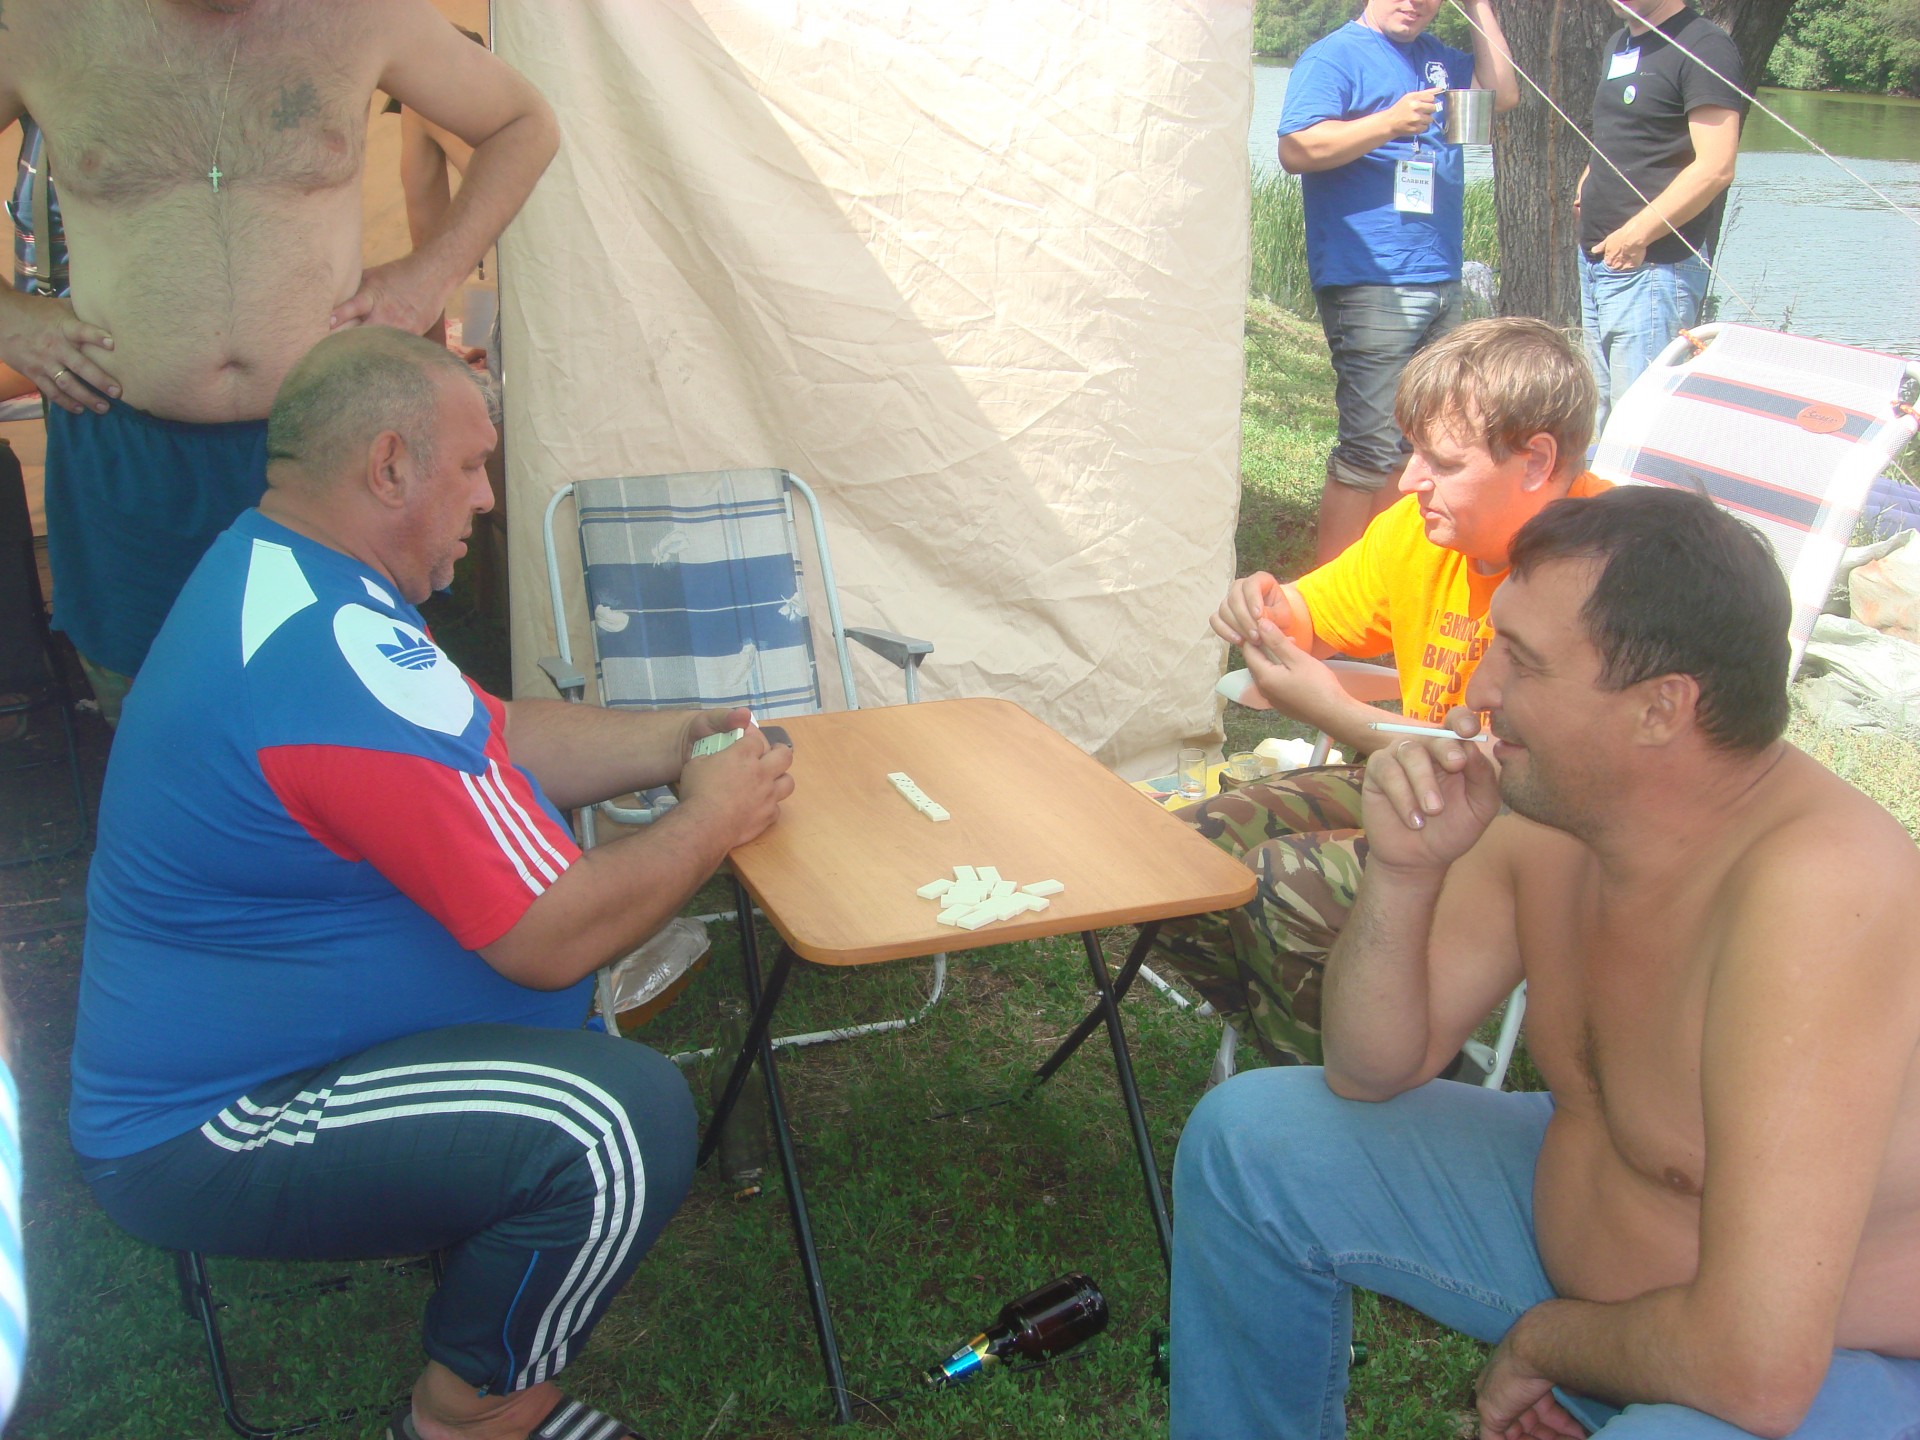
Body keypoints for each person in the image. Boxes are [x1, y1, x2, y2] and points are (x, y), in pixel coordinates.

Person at [68, 328, 795, 1440]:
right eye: (471, 465)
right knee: (612, 1122)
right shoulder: (330, 653)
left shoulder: (290, 573)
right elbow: (551, 936)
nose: (488, 498)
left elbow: (487, 731)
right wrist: (711, 821)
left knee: (582, 1077)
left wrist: (674, 739)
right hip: (211, 1126)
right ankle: (468, 1417)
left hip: (256, 1062)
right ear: (390, 465)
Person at [1172, 485, 1920, 1440]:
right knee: (1252, 1140)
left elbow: (1756, 1368)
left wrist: (1546, 1345)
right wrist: (1404, 873)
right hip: (1606, 1271)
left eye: (1522, 662)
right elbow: (1368, 1071)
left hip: (1825, 1367)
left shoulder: (1821, 893)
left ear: (1661, 709)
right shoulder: (1554, 812)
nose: (1478, 690)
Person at [0, 0, 560, 724]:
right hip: (127, 444)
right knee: (152, 707)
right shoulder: (41, 19)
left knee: (347, 693)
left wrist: (429, 276)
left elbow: (523, 124)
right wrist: (9, 318)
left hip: (327, 443)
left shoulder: (361, 14)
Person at [1160, 317, 1606, 1065]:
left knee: (1280, 886)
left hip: (1526, 830)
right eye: (1412, 452)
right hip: (1411, 783)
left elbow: (1531, 776)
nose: (1409, 481)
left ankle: (1362, 1078)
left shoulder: (1600, 567)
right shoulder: (1417, 532)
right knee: (1183, 856)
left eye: (1443, 462)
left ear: (1535, 462)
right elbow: (1312, 616)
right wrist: (1266, 611)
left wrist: (1337, 714)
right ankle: (1347, 1050)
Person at [1278, 0, 1517, 565]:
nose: (1414, 3)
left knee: (1417, 444)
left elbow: (1502, 93)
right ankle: (1325, 596)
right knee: (1369, 448)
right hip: (1371, 278)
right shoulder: (1334, 56)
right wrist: (1388, 122)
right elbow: (1294, 149)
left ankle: (1382, 582)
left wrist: (1479, 6)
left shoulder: (1437, 57)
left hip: (1440, 274)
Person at [1578, 0, 1743, 433]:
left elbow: (1716, 167)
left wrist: (1636, 234)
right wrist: (1588, 179)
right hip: (1597, 261)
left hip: (1652, 267)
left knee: (1637, 425)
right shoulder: (1621, 42)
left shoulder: (1704, 45)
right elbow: (1627, 130)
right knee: (1596, 419)